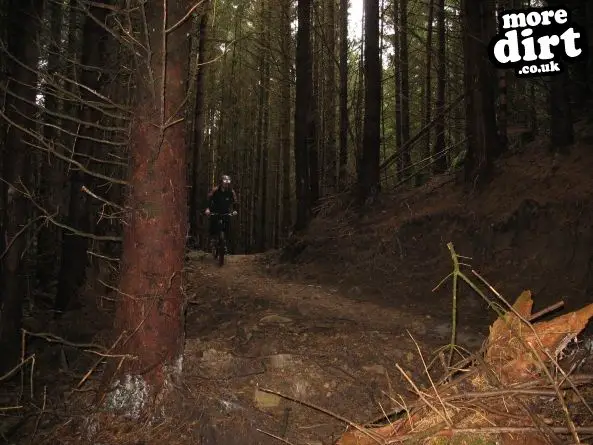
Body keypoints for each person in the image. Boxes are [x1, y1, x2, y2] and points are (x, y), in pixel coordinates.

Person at [205, 174, 238, 251]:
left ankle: (224, 243)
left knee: (227, 226)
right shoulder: (215, 190)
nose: (226, 183)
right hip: (215, 211)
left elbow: (235, 202)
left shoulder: (231, 192)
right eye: (225, 182)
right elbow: (209, 199)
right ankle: (213, 240)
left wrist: (235, 210)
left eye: (228, 182)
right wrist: (207, 209)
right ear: (221, 182)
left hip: (225, 212)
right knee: (213, 224)